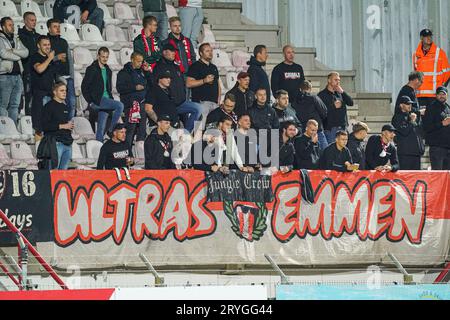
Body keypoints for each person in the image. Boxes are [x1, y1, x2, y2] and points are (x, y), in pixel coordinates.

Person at [153, 43, 201, 132]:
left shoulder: (176, 67)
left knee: (198, 109)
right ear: (164, 52)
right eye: (171, 51)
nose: (173, 53)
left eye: (174, 51)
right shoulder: (159, 67)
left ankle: (186, 134)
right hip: (168, 105)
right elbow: (156, 86)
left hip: (181, 102)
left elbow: (182, 83)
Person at [81, 47, 124, 141]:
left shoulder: (108, 70)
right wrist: (91, 102)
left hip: (107, 99)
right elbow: (84, 87)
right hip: (98, 99)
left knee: (100, 129)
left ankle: (99, 147)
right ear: (98, 56)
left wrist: (111, 99)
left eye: (106, 57)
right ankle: (111, 130)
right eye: (103, 56)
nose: (105, 59)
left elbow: (108, 88)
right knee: (120, 106)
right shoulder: (92, 69)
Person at [116, 52, 149, 147]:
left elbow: (151, 84)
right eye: (138, 61)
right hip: (130, 104)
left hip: (142, 103)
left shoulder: (142, 72)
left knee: (142, 127)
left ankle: (140, 144)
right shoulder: (123, 73)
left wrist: (147, 72)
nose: (140, 63)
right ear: (132, 60)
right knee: (131, 128)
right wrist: (134, 87)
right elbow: (120, 88)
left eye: (141, 62)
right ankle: (126, 148)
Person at [0, 17, 28, 123]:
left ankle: (13, 128)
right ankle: (3, 129)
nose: (12, 27)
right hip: (5, 75)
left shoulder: (16, 38)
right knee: (3, 105)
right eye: (9, 25)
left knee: (15, 105)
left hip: (17, 76)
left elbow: (26, 52)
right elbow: (3, 53)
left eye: (13, 25)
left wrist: (13, 50)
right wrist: (18, 56)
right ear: (3, 27)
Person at [186, 42, 220, 129]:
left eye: (211, 51)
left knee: (213, 130)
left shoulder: (214, 67)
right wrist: (204, 80)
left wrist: (218, 100)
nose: (210, 52)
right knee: (199, 128)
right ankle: (197, 143)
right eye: (207, 51)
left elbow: (218, 85)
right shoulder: (195, 66)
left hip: (214, 103)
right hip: (201, 103)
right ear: (201, 53)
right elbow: (188, 83)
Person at [413, 29, 450, 108]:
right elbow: (416, 74)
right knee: (422, 118)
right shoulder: (416, 54)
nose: (429, 38)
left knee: (434, 118)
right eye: (426, 36)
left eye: (430, 36)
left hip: (434, 94)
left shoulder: (439, 53)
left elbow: (447, 73)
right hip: (420, 94)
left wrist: (441, 89)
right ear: (421, 38)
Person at [47, 18, 76, 119]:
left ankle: (68, 128)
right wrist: (56, 58)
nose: (58, 29)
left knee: (72, 104)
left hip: (68, 77)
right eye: (55, 27)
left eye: (59, 27)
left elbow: (70, 61)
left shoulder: (64, 42)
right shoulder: (47, 42)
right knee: (56, 106)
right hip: (56, 78)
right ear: (49, 29)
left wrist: (72, 77)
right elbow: (44, 60)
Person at [41, 82, 74, 170]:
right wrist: (62, 126)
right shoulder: (48, 106)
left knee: (63, 175)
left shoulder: (65, 107)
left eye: (65, 91)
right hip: (55, 143)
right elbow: (44, 126)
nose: (64, 93)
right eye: (61, 90)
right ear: (55, 92)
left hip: (67, 143)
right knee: (53, 172)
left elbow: (66, 125)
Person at [30, 35, 57, 139]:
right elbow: (39, 69)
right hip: (40, 96)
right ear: (38, 46)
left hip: (50, 95)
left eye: (49, 44)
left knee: (50, 125)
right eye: (44, 45)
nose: (47, 47)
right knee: (40, 126)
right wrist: (50, 58)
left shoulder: (49, 59)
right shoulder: (35, 57)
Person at [318, 72, 354, 144]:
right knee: (332, 151)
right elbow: (321, 111)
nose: (338, 82)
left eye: (339, 80)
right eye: (335, 80)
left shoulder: (340, 93)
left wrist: (342, 92)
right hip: (331, 129)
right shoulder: (322, 95)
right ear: (329, 80)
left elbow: (351, 103)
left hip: (343, 127)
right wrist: (333, 106)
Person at [392, 96, 425, 170]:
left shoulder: (411, 116)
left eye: (410, 104)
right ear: (401, 105)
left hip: (416, 153)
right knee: (405, 178)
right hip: (405, 154)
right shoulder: (397, 117)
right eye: (407, 104)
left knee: (416, 178)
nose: (410, 105)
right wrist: (412, 121)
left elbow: (419, 133)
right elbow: (404, 131)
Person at [294, 80, 328, 150]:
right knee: (325, 153)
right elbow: (324, 111)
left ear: (300, 89)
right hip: (316, 130)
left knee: (307, 152)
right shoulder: (314, 98)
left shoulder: (295, 101)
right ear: (310, 88)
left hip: (304, 130)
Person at [422, 86, 450, 170]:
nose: (442, 96)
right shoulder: (431, 108)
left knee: (447, 177)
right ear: (436, 95)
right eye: (439, 94)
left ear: (447, 95)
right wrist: (442, 123)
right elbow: (426, 127)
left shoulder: (448, 108)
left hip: (448, 148)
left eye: (443, 94)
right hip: (437, 148)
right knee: (438, 176)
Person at [18, 12, 39, 116]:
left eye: (35, 20)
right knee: (27, 97)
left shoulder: (38, 36)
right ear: (25, 21)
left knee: (36, 98)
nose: (34, 22)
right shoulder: (20, 35)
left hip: (38, 71)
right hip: (27, 71)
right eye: (31, 20)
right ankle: (28, 121)